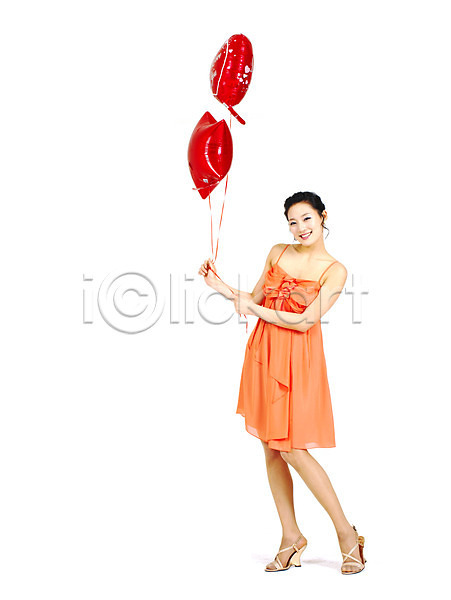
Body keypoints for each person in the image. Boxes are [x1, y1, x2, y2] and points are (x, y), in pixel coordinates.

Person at [198, 191, 366, 574]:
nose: (300, 228)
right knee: (271, 448)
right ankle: (291, 537)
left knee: (292, 448)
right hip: (264, 354)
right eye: (292, 221)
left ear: (323, 217)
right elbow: (253, 298)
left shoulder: (335, 270)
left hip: (297, 361)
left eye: (306, 218)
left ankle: (346, 534)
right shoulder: (277, 252)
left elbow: (306, 321)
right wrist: (218, 285)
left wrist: (255, 309)